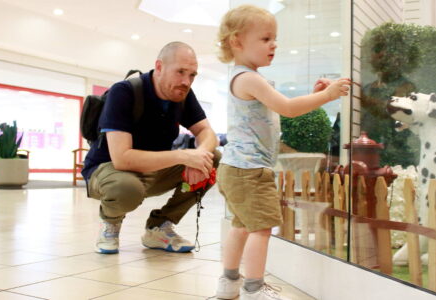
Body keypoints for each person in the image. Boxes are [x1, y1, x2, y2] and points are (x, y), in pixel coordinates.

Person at [215, 5, 351, 300]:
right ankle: (253, 288)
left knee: (241, 226)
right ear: (237, 41)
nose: (274, 44)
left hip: (235, 168)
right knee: (261, 229)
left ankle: (228, 283)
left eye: (274, 38)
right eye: (265, 39)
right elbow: (288, 109)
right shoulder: (249, 79)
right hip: (249, 170)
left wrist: (315, 95)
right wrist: (327, 95)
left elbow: (283, 109)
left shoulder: (244, 77)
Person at [82, 41, 220, 255]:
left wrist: (199, 156)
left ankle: (159, 228)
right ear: (159, 67)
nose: (186, 81)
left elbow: (207, 133)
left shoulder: (182, 94)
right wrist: (184, 156)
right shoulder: (125, 92)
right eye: (180, 72)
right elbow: (122, 159)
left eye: (192, 75)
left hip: (152, 170)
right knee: (126, 189)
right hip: (109, 171)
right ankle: (110, 223)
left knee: (213, 159)